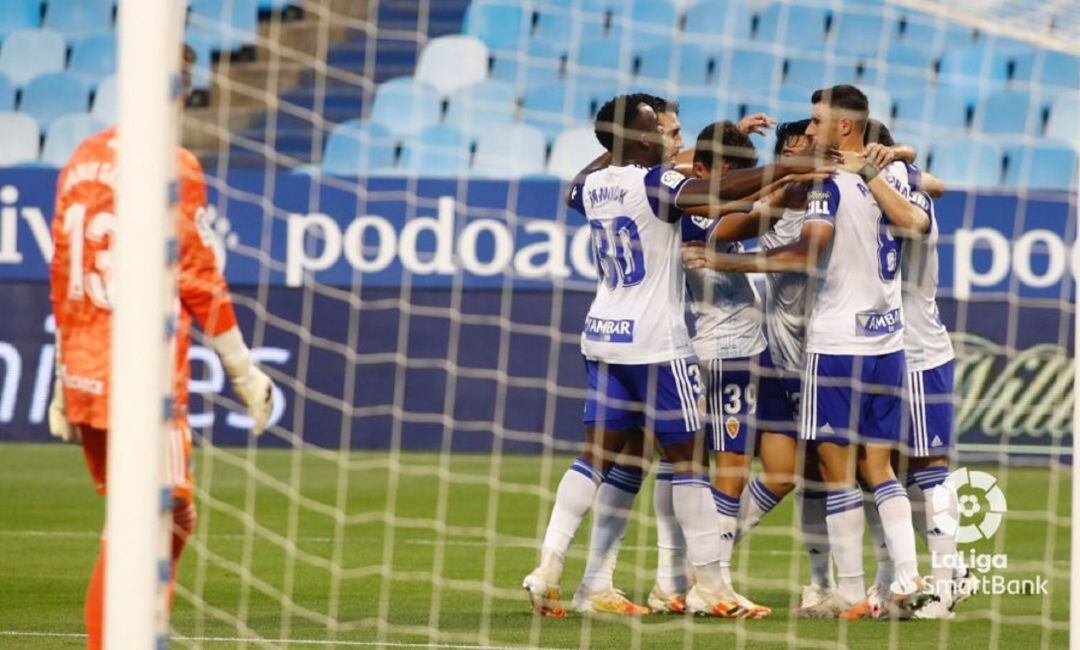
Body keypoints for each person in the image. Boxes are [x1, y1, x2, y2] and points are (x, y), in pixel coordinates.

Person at [523, 93, 834, 619]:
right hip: (657, 346)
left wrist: (627, 145)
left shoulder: (593, 185)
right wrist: (787, 168)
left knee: (598, 459)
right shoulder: (655, 184)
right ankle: (705, 584)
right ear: (640, 140)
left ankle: (550, 568)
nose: (673, 140)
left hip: (604, 335)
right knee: (690, 465)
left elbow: (584, 181)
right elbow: (716, 191)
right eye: (665, 131)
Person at [47, 45, 275, 650]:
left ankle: (131, 632)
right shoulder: (172, 164)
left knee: (160, 516)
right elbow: (198, 276)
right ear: (183, 91)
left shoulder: (82, 158)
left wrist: (61, 378)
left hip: (85, 370)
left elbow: (63, 270)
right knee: (153, 520)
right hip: (143, 381)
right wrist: (242, 370)